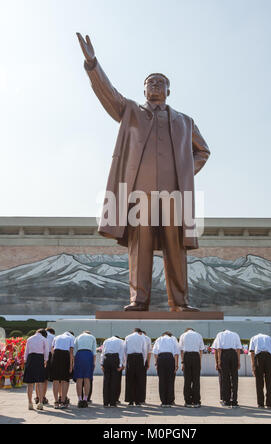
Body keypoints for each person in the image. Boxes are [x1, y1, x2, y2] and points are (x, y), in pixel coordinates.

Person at [76, 33, 210, 313]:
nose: (155, 85)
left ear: (168, 91)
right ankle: (139, 300)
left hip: (174, 195)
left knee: (176, 250)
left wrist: (185, 172)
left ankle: (180, 301)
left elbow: (203, 151)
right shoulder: (130, 112)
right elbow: (109, 94)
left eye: (161, 82)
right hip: (139, 195)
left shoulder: (185, 121)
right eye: (150, 82)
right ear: (144, 89)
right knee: (140, 248)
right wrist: (93, 64)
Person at [214, 330, 242, 408]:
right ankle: (234, 400)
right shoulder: (235, 334)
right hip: (233, 355)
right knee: (234, 378)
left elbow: (219, 348)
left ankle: (226, 400)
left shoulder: (220, 334)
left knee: (225, 378)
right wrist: (238, 361)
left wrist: (219, 361)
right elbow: (238, 349)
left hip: (224, 355)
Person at [23, 329, 49, 411]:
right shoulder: (44, 339)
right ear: (43, 334)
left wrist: (25, 361)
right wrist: (45, 360)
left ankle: (30, 403)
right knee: (40, 382)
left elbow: (26, 352)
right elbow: (46, 351)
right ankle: (40, 402)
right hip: (39, 359)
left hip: (30, 359)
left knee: (30, 383)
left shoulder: (29, 338)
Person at [179, 328, 205, 408]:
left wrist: (182, 362)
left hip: (187, 356)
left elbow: (181, 350)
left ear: (186, 330)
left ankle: (188, 402)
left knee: (187, 380)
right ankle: (196, 401)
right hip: (196, 356)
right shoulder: (198, 335)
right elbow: (201, 350)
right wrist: (199, 362)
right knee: (196, 380)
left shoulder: (183, 335)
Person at [153, 331, 180, 408]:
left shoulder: (159, 339)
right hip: (170, 359)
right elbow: (176, 353)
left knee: (162, 380)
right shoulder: (173, 339)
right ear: (170, 335)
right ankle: (170, 401)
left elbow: (155, 352)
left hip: (161, 359)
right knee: (170, 380)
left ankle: (163, 401)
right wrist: (176, 365)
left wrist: (156, 363)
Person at [249, 333, 271, 408]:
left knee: (259, 381)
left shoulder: (254, 337)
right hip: (268, 358)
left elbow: (252, 352)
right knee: (269, 381)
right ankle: (269, 403)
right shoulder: (269, 337)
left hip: (259, 358)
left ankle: (260, 403)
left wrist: (253, 365)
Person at [50, 331, 74, 409]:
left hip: (56, 355)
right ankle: (63, 401)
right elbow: (71, 353)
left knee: (56, 380)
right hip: (65, 356)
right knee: (65, 380)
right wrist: (71, 365)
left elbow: (52, 350)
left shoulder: (56, 337)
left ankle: (56, 402)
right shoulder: (70, 338)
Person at [73, 331, 97, 408]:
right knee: (87, 378)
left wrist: (73, 362)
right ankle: (85, 399)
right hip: (88, 355)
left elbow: (74, 352)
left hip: (79, 355)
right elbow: (94, 352)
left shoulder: (77, 337)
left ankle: (80, 399)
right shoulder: (92, 337)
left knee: (79, 379)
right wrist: (93, 363)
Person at [124, 328, 147, 406]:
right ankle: (138, 401)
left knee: (130, 379)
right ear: (139, 332)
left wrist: (126, 361)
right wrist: (143, 362)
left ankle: (130, 401)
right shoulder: (142, 337)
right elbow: (144, 350)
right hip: (139, 358)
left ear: (133, 331)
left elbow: (125, 349)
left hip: (130, 357)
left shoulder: (128, 337)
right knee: (139, 380)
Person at [101, 335, 125, 407]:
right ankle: (113, 402)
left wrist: (102, 364)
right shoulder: (121, 341)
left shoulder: (106, 340)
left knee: (106, 381)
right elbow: (121, 354)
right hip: (115, 359)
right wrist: (121, 365)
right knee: (115, 381)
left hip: (107, 359)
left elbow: (103, 352)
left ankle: (105, 402)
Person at [212, 337, 224, 405]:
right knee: (231, 379)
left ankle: (223, 397)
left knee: (222, 379)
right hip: (231, 358)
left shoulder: (218, 338)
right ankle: (230, 397)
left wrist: (217, 362)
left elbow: (216, 351)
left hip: (222, 359)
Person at [141, 331, 152, 404]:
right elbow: (149, 352)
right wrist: (148, 362)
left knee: (132, 380)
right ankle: (141, 399)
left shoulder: (131, 337)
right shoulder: (147, 338)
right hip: (143, 360)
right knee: (142, 380)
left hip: (132, 359)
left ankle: (132, 399)